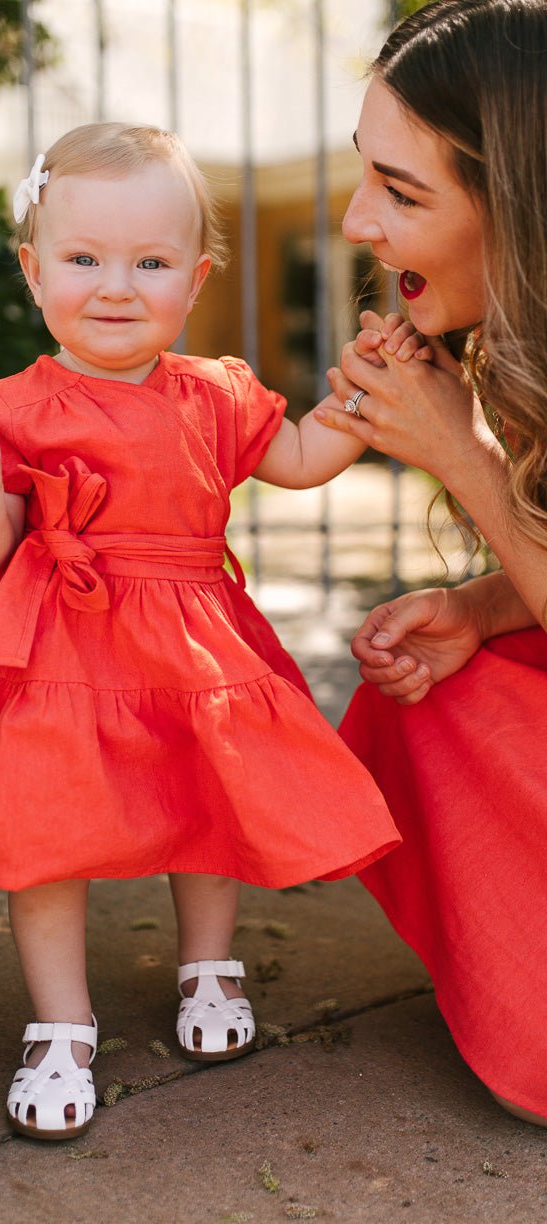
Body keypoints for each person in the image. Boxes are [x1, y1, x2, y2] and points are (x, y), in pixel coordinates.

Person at [0, 121, 401, 1141]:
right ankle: (61, 1022)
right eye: (83, 259)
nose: (115, 286)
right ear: (32, 270)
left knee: (207, 800)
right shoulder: (5, 410)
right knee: (46, 832)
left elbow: (296, 455)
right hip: (56, 651)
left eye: (149, 262)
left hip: (193, 648)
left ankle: (209, 970)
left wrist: (363, 399)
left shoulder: (217, 394)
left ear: (192, 283)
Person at [316, 0, 547, 1127]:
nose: (361, 221)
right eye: (367, 175)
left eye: (405, 195)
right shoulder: (512, 346)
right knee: (435, 685)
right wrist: (483, 604)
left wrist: (463, 456)